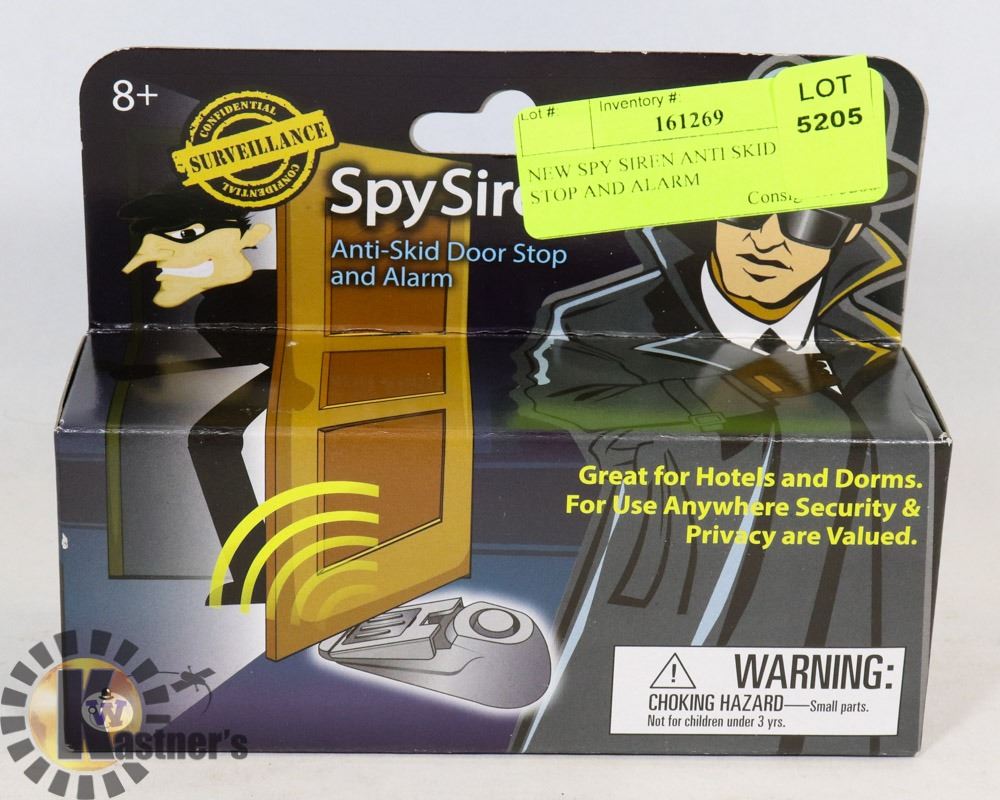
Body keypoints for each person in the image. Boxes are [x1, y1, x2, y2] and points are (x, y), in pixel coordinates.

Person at [512, 176, 939, 754]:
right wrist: (731, 392)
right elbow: (560, 424)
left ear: (848, 233)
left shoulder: (867, 349)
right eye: (746, 213)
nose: (767, 242)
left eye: (805, 223)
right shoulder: (599, 325)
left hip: (831, 649)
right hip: (657, 627)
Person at [118, 188, 275, 604]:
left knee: (209, 440)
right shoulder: (212, 312)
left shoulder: (266, 287)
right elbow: (252, 354)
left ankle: (259, 571)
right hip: (289, 375)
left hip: (313, 373)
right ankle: (256, 571)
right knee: (208, 439)